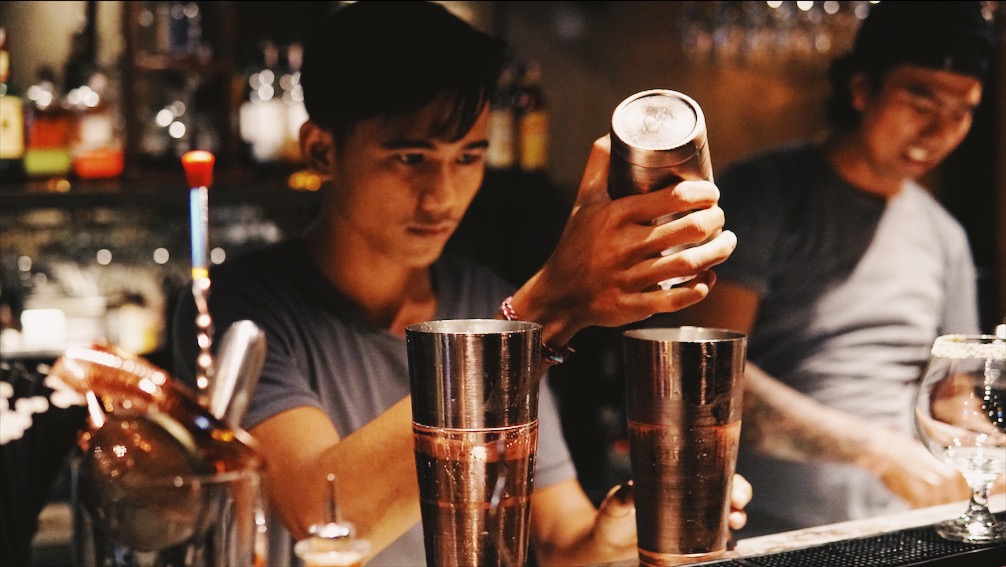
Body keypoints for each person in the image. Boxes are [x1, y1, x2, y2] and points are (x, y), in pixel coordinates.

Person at [172, 2, 747, 565]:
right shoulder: (237, 310)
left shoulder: (478, 296)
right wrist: (542, 311)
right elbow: (330, 519)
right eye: (410, 157)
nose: (442, 195)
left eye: (467, 156)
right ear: (322, 150)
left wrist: (622, 529)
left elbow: (558, 538)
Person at [656, 1, 996, 536]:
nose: (940, 129)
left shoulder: (944, 235)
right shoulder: (764, 194)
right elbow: (704, 372)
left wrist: (988, 449)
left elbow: (952, 396)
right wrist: (877, 450)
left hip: (906, 525)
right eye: (921, 97)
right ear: (862, 90)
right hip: (772, 526)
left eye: (962, 111)